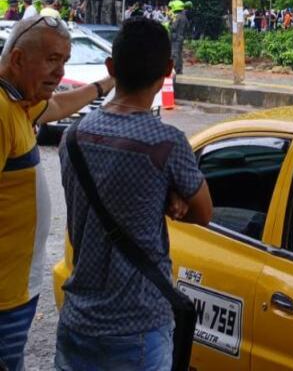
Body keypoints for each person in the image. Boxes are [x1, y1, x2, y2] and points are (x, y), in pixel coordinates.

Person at [56, 18, 212, 370]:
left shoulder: (74, 137)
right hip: (140, 328)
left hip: (77, 319)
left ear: (111, 68)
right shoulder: (166, 143)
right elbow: (204, 212)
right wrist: (172, 195)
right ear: (168, 70)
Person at [0, 17, 116, 371]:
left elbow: (59, 106)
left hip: (15, 294)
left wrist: (108, 82)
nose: (60, 71)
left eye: (64, 61)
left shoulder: (18, 100)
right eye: (52, 60)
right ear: (18, 59)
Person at [167, 0, 189, 77]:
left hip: (175, 38)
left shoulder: (176, 16)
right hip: (181, 37)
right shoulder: (184, 16)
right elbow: (187, 27)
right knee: (179, 54)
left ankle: (174, 69)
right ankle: (179, 69)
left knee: (174, 54)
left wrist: (169, 22)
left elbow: (173, 27)